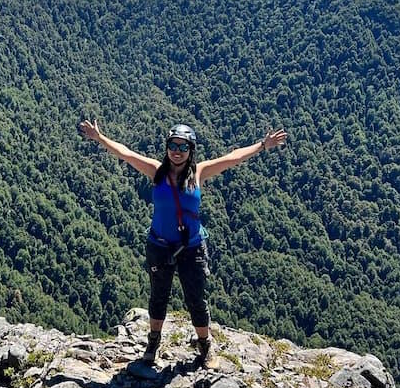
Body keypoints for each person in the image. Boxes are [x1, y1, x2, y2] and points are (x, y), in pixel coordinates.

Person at [79, 120, 287, 364]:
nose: (177, 151)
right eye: (172, 145)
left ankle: (204, 346)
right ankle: (152, 345)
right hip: (159, 245)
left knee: (196, 299)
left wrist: (263, 145)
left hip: (192, 247)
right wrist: (100, 138)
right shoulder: (156, 171)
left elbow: (233, 158)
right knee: (158, 297)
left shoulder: (199, 173)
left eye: (183, 146)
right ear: (167, 147)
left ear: (191, 150)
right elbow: (125, 153)